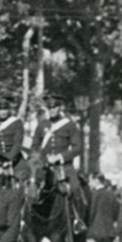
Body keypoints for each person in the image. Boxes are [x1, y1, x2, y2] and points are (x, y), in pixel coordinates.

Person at [36, 93, 87, 231]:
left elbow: (77, 148)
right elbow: (35, 147)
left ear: (60, 107)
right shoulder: (42, 125)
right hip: (45, 166)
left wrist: (60, 157)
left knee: (75, 188)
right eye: (49, 108)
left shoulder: (69, 125)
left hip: (64, 166)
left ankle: (77, 220)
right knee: (30, 188)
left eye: (54, 107)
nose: (52, 110)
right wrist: (40, 159)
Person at [0, 95, 26, 173]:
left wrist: (8, 159)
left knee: (20, 176)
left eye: (5, 109)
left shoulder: (17, 123)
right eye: (0, 109)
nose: (2, 112)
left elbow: (17, 144)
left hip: (14, 159)